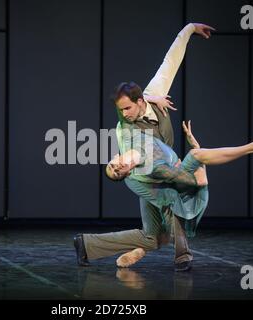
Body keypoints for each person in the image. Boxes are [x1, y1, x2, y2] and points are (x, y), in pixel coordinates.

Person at [74, 22, 216, 271]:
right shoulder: (124, 130)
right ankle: (183, 255)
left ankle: (87, 245)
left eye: (128, 108)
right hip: (144, 178)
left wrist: (190, 28)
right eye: (121, 110)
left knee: (151, 237)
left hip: (160, 171)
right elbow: (138, 163)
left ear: (140, 101)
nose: (125, 114)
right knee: (173, 199)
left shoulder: (154, 94)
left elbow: (170, 63)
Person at [106, 120, 253, 267]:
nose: (117, 168)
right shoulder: (135, 177)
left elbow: (133, 103)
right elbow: (167, 195)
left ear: (114, 157)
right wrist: (199, 175)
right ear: (126, 174)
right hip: (171, 192)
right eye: (117, 173)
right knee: (152, 232)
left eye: (112, 166)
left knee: (195, 154)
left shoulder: (126, 137)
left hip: (180, 186)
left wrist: (155, 97)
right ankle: (141, 250)